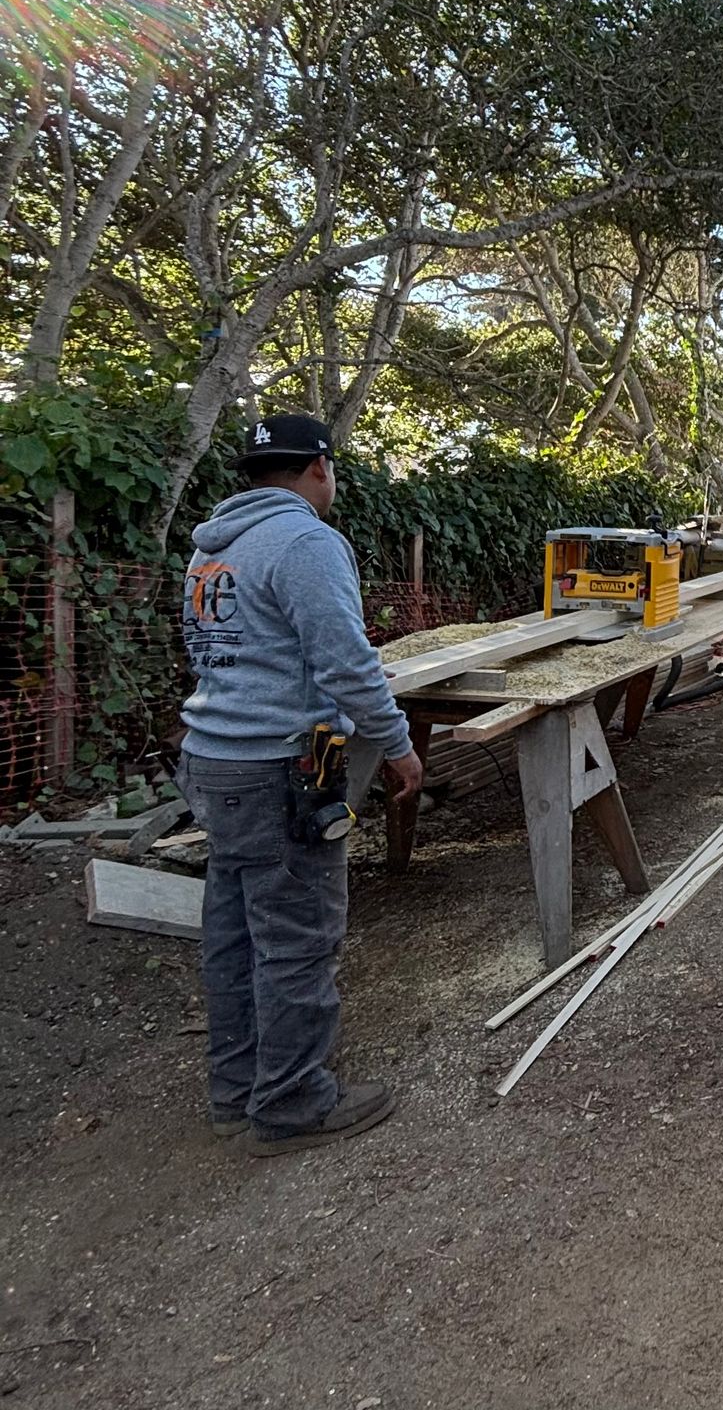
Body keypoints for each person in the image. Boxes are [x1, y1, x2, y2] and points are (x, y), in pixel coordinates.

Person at [177, 414, 423, 1157]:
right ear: (319, 467)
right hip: (280, 766)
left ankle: (237, 1090)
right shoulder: (307, 542)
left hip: (213, 760)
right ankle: (291, 1104)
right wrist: (398, 747)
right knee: (297, 935)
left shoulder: (211, 551)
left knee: (233, 931)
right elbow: (348, 665)